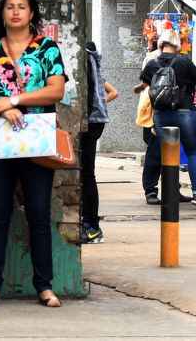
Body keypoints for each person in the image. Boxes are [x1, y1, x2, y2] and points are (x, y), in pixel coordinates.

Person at [0, 0, 67, 308]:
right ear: (3, 13)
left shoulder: (47, 48)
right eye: (10, 7)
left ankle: (45, 286)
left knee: (38, 211)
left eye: (22, 7)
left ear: (32, 13)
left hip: (36, 136)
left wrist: (16, 100)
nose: (16, 12)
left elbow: (56, 90)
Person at [139, 30, 196, 209]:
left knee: (167, 154)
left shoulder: (152, 64)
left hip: (161, 114)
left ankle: (169, 194)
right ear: (177, 45)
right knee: (193, 152)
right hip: (185, 112)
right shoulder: (185, 61)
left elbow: (145, 86)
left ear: (161, 44)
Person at [81, 41, 118, 244]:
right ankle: (89, 223)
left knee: (86, 174)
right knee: (86, 174)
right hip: (94, 119)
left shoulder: (83, 58)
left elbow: (92, 92)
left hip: (89, 121)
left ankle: (91, 225)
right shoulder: (91, 58)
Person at [134, 40, 163, 205]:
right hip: (155, 114)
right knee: (156, 154)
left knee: (157, 154)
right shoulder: (153, 61)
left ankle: (156, 190)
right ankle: (152, 190)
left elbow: (143, 85)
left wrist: (138, 88)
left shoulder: (152, 61)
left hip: (153, 115)